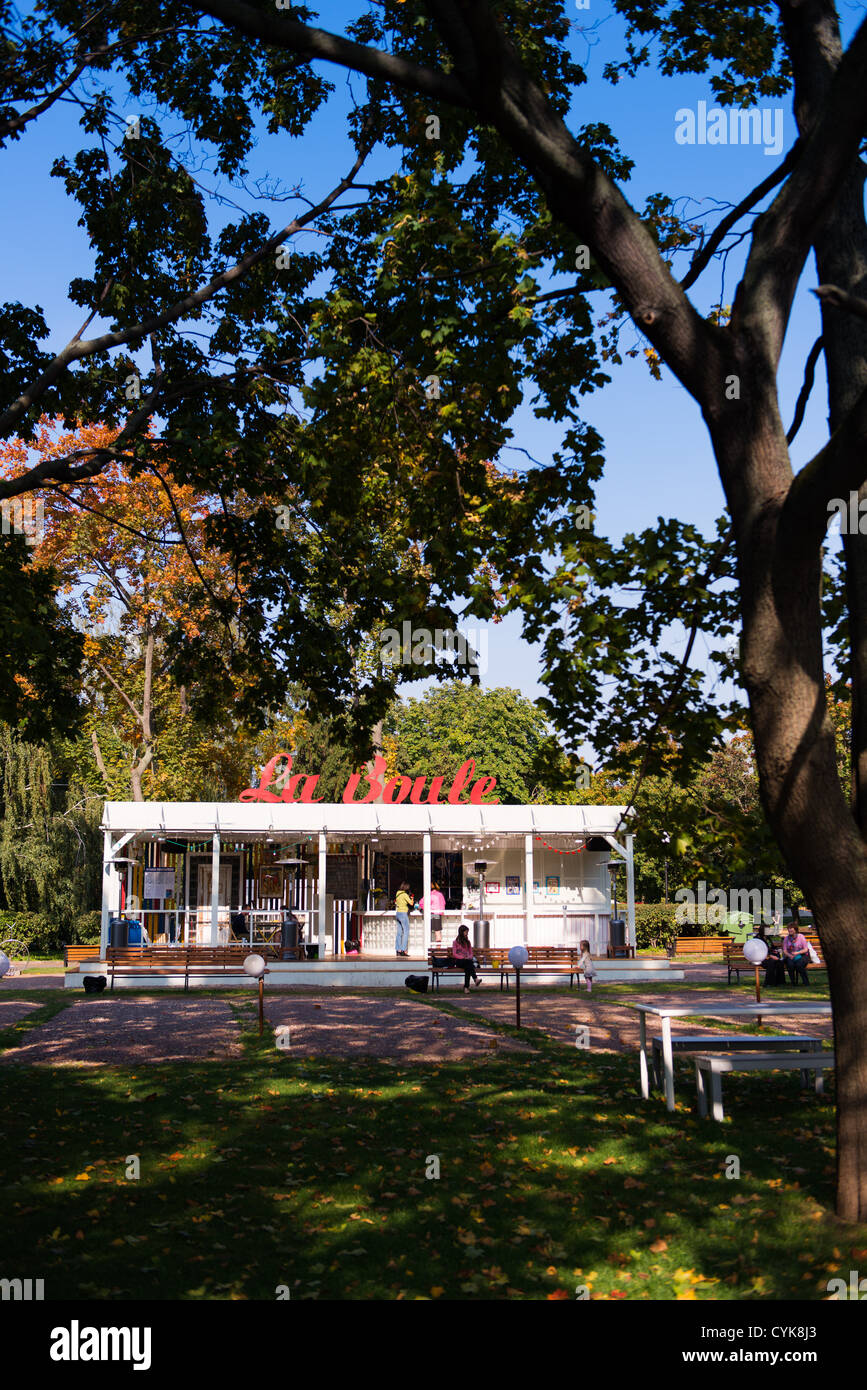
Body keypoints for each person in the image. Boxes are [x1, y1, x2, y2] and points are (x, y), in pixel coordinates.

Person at [452, 923, 482, 990]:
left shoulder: (468, 942)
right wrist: (463, 957)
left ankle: (466, 987)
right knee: (468, 964)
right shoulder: (455, 942)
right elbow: (454, 954)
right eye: (466, 932)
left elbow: (471, 953)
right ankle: (475, 979)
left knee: (468, 968)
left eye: (467, 932)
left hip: (467, 961)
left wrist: (469, 957)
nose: (467, 933)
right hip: (459, 961)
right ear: (461, 932)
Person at [394, 881, 414, 957]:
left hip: (398, 913)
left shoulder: (397, 893)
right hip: (403, 913)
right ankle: (403, 950)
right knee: (406, 932)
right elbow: (411, 903)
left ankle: (398, 950)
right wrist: (411, 898)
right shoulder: (405, 895)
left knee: (399, 932)